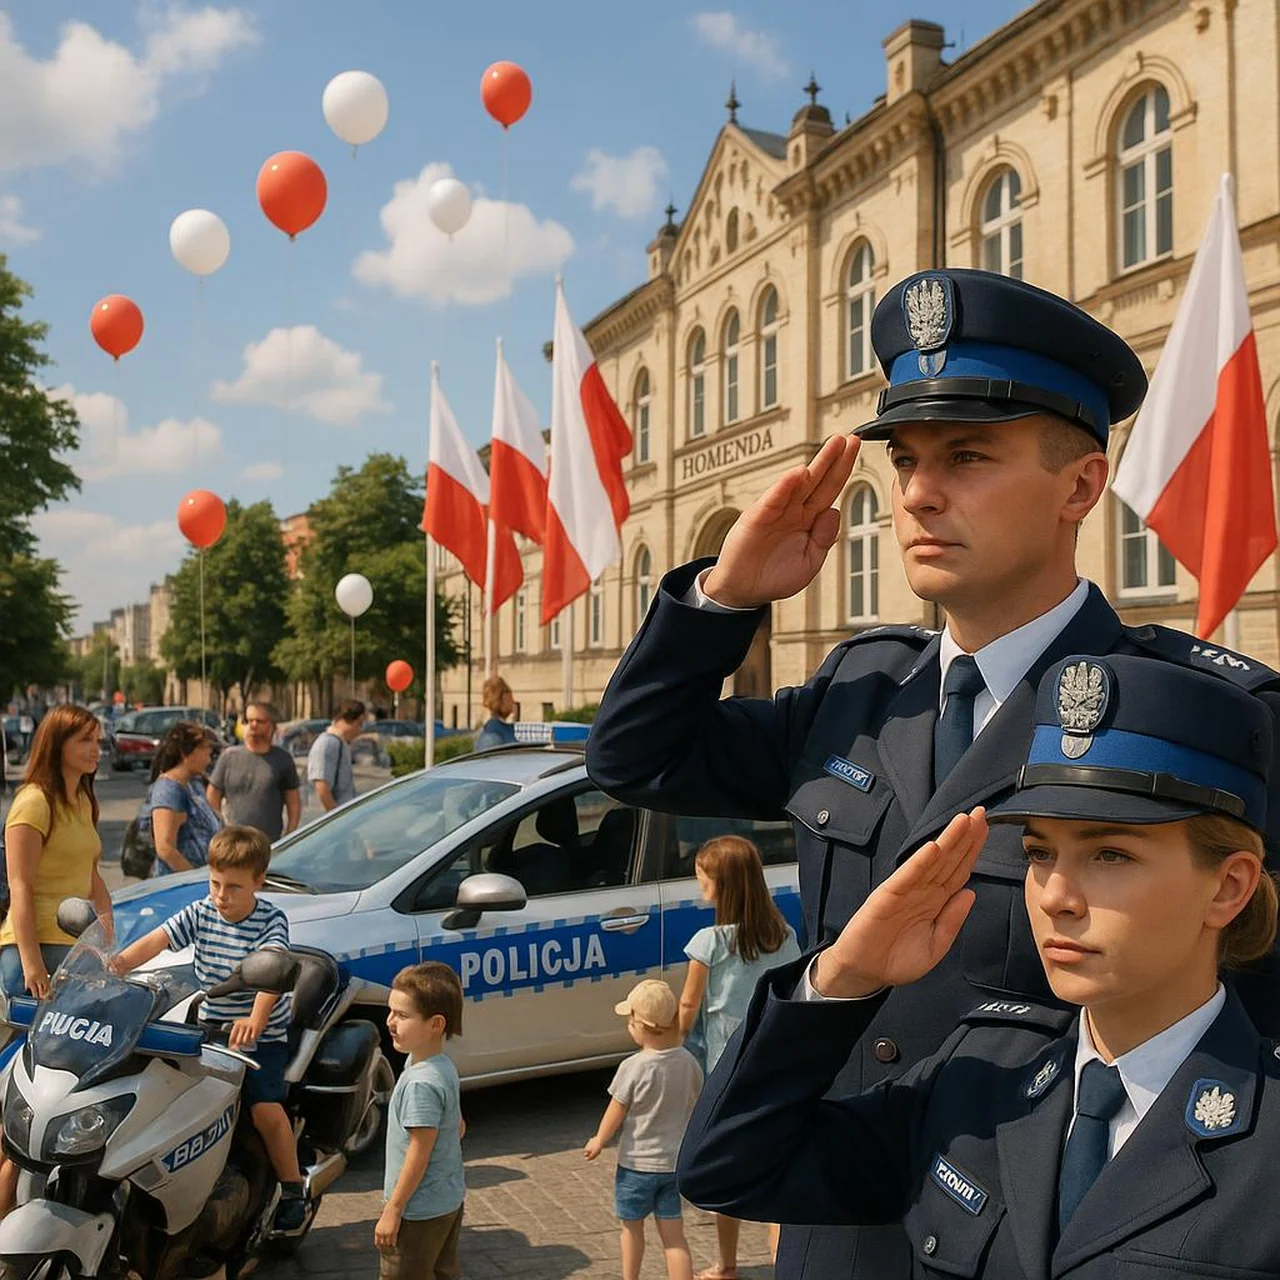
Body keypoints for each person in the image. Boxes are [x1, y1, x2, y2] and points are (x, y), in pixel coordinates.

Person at [586, 268, 1280, 1277]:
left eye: (965, 455)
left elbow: (1242, 1014)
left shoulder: (1179, 719)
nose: (914, 491)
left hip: (1052, 1223)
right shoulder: (862, 689)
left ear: (1079, 485)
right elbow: (635, 755)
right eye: (905, 458)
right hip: (835, 1216)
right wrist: (725, 594)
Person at [681, 653, 1280, 1276]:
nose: (1054, 897)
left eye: (1110, 855)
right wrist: (843, 978)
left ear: (1227, 887)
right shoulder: (978, 1082)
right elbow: (726, 1166)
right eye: (1039, 853)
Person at [112, 824, 308, 1231]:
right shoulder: (203, 911)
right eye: (216, 883)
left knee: (266, 1110)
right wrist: (114, 967)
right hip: (209, 1027)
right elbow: (158, 939)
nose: (221, 895)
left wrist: (255, 1018)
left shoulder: (271, 920)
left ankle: (293, 1189)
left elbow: (271, 971)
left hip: (258, 1036)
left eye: (233, 887)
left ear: (258, 881)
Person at [677, 836, 800, 1279]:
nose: (698, 884)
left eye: (702, 877)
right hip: (769, 1060)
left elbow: (689, 1008)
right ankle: (781, 1264)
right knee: (770, 1166)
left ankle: (726, 1264)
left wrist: (666, 1041)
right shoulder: (782, 933)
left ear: (722, 885)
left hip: (723, 1070)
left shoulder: (706, 943)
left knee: (724, 1165)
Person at [585, 979, 703, 1280]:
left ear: (642, 1026)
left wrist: (600, 1139)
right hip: (672, 1164)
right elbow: (697, 1104)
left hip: (636, 1165)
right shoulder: (689, 1063)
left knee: (631, 1229)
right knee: (674, 1238)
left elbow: (617, 1110)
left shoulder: (633, 1067)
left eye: (630, 1020)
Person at [0, 704, 113, 999]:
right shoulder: (34, 802)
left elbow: (91, 875)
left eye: (97, 741)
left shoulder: (83, 800)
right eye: (84, 740)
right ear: (57, 744)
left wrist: (107, 934)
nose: (95, 750)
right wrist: (32, 962)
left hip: (75, 946)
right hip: (34, 948)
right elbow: (19, 884)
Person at [376, 962, 466, 1280]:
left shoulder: (419, 1083)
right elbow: (457, 1127)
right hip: (447, 1201)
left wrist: (394, 1209)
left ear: (435, 1024)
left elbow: (419, 1152)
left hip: (417, 1212)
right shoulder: (441, 1066)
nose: (390, 1022)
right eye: (391, 1011)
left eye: (402, 1015)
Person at [207, 701, 300, 843]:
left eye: (259, 721)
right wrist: (220, 829)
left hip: (268, 844)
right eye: (249, 721)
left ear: (272, 726)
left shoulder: (283, 760)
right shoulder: (229, 757)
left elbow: (293, 802)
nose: (253, 725)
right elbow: (212, 796)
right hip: (233, 842)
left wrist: (289, 835)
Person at [140, 720, 222, 874]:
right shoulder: (169, 790)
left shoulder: (194, 784)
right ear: (186, 753)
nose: (208, 760)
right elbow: (165, 848)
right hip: (181, 885)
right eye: (205, 753)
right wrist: (194, 878)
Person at [307, 700, 365, 813]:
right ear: (347, 721)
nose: (360, 730)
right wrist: (336, 818)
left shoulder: (341, 744)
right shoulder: (328, 743)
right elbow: (322, 788)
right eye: (359, 724)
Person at [473, 677, 516, 751]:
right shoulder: (492, 737)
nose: (513, 702)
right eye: (511, 698)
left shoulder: (491, 730)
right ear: (503, 698)